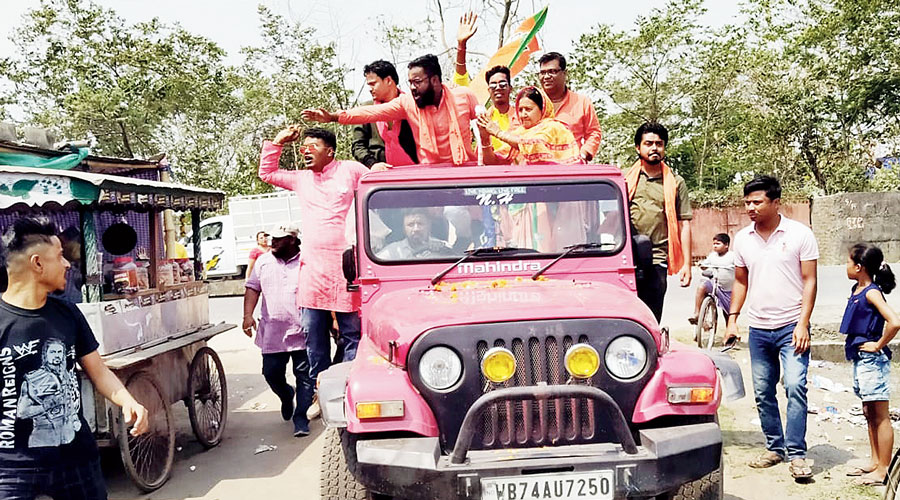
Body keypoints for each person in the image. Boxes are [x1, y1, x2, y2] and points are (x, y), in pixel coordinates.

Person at [0, 216, 148, 500]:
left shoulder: (67, 313)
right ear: (37, 263)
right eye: (59, 256)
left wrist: (129, 401)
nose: (68, 264)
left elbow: (98, 370)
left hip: (76, 459)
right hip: (13, 468)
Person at [258, 127, 372, 420]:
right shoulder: (302, 179)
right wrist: (279, 141)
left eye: (313, 146)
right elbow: (267, 173)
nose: (306, 150)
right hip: (313, 274)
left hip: (347, 269)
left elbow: (376, 181)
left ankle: (348, 390)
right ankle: (322, 394)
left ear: (330, 151)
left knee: (352, 335)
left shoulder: (350, 170)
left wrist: (381, 166)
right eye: (304, 146)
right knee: (313, 337)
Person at [724, 175, 818, 480]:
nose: (750, 207)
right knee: (764, 392)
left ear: (776, 202)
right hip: (760, 329)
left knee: (794, 386)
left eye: (757, 202)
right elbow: (740, 280)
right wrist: (732, 319)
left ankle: (797, 453)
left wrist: (803, 323)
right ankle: (775, 448)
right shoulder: (742, 239)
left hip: (792, 326)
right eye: (747, 202)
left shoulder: (799, 234)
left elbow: (810, 280)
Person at [302, 54, 479, 166]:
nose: (413, 88)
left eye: (417, 82)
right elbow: (369, 113)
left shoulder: (463, 97)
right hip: (426, 174)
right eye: (410, 83)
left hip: (463, 170)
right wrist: (333, 117)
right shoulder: (407, 103)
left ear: (434, 80)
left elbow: (485, 125)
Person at [242, 223, 313, 437]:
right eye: (272, 237)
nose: (273, 241)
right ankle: (285, 394)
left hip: (303, 331)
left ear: (292, 239)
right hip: (273, 333)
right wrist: (247, 316)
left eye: (279, 238)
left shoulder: (306, 261)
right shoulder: (263, 262)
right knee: (271, 374)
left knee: (305, 377)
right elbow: (252, 288)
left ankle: (301, 418)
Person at [839, 243, 899, 486]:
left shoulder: (871, 292)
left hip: (872, 360)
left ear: (859, 266)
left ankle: (884, 469)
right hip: (860, 358)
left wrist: (878, 343)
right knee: (869, 412)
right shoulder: (857, 288)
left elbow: (894, 322)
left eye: (848, 262)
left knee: (880, 415)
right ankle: (875, 462)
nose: (846, 266)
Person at [626, 122, 692, 322]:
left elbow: (685, 224)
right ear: (638, 147)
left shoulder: (676, 182)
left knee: (652, 319)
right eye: (648, 143)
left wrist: (687, 264)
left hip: (657, 259)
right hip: (627, 258)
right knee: (627, 317)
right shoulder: (624, 180)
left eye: (659, 143)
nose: (654, 148)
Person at [477, 85, 581, 165]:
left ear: (542, 109)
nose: (523, 114)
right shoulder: (520, 133)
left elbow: (534, 145)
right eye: (520, 110)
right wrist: (485, 138)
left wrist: (498, 133)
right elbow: (493, 162)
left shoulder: (553, 127)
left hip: (555, 186)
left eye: (528, 109)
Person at [351, 60, 418, 168]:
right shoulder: (366, 109)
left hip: (415, 172)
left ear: (388, 80)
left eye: (373, 84)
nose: (370, 89)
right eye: (369, 85)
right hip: (381, 175)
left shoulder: (413, 105)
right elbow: (358, 146)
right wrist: (373, 164)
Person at [537, 52, 602, 162]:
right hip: (537, 168)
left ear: (564, 73)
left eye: (552, 71)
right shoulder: (531, 102)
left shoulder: (582, 102)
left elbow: (594, 132)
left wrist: (584, 154)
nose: (547, 76)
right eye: (543, 72)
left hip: (572, 168)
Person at [689, 233, 734, 326]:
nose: (715, 246)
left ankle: (729, 332)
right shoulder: (712, 256)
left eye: (718, 244)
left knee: (728, 314)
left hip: (729, 289)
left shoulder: (732, 256)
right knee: (702, 287)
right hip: (715, 284)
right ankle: (697, 314)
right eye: (714, 244)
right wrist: (702, 266)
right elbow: (705, 265)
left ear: (726, 245)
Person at [377, 209, 453, 259]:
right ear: (404, 228)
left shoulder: (442, 247)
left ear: (429, 226)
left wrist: (442, 252)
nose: (416, 229)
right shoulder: (393, 251)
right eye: (410, 225)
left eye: (420, 224)